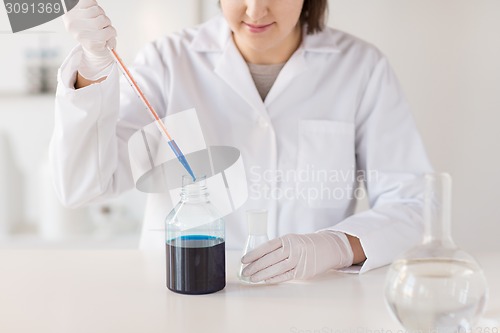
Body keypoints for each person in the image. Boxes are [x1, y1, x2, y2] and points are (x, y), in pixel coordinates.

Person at [50, 0, 432, 283]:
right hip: (184, 297)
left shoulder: (361, 67)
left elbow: (413, 204)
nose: (255, 10)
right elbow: (84, 186)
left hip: (313, 298)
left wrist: (337, 245)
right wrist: (91, 73)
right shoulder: (168, 62)